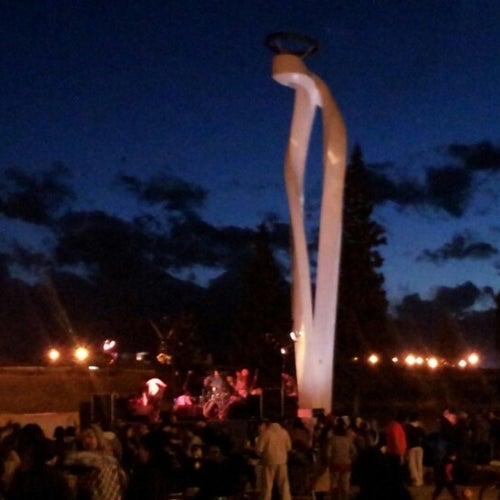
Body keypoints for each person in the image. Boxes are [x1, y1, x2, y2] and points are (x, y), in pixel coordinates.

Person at [255, 417, 292, 500]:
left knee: (267, 486)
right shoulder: (284, 432)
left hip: (269, 461)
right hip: (282, 461)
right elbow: (289, 447)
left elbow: (258, 450)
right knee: (284, 485)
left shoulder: (266, 433)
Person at [326, 417, 357, 500]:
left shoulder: (332, 440)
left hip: (335, 465)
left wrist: (329, 461)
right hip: (346, 465)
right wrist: (350, 458)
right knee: (345, 486)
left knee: (334, 485)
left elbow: (328, 454)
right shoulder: (348, 440)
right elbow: (354, 451)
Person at [403, 411, 426, 487]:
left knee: (412, 464)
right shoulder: (419, 427)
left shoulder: (407, 427)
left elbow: (405, 437)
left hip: (411, 447)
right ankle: (421, 479)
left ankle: (416, 480)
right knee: (419, 464)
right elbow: (424, 436)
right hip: (419, 447)